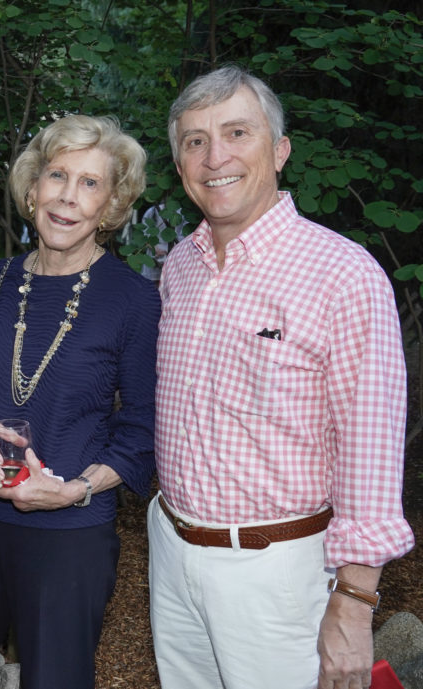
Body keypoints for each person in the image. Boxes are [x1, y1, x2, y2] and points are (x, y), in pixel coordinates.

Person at [149, 65, 415, 689]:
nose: (216, 157)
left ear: (281, 150)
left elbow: (370, 448)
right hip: (171, 549)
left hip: (279, 574)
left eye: (238, 132)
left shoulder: (342, 274)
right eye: (195, 141)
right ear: (180, 163)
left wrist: (355, 600)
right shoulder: (179, 268)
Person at [0, 114, 160, 689]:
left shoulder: (133, 300)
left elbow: (139, 431)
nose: (68, 197)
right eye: (58, 175)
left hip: (71, 532)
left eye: (90, 183)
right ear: (32, 189)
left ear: (111, 206)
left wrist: (75, 490)